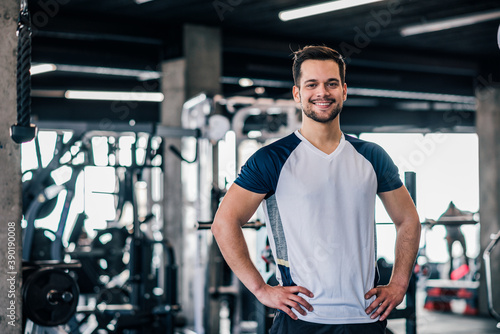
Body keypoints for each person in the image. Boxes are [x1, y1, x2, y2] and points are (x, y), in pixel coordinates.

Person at [211, 45, 421, 333]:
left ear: (344, 90)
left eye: (331, 83)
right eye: (312, 84)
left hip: (366, 317)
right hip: (301, 320)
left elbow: (408, 219)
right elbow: (224, 223)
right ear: (297, 93)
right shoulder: (272, 159)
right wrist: (261, 289)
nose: (322, 92)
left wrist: (399, 284)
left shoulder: (372, 155)